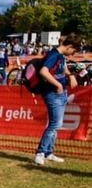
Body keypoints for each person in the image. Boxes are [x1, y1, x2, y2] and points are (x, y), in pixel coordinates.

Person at [34, 35, 81, 166]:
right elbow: (44, 71)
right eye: (74, 51)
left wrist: (70, 76)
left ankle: (49, 153)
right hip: (53, 93)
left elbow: (63, 67)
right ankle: (40, 153)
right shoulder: (54, 55)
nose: (73, 54)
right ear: (70, 46)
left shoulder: (60, 56)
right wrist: (58, 85)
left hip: (60, 94)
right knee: (54, 124)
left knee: (57, 124)